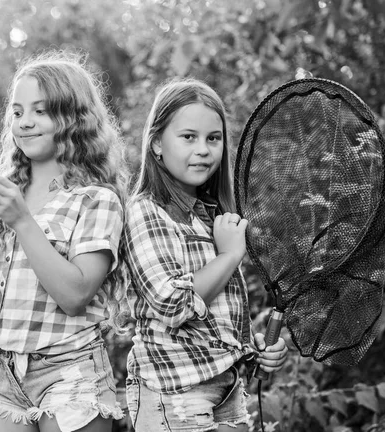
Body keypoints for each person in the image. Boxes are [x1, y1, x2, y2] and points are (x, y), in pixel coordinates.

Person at [0, 51, 127, 432]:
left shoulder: (95, 200)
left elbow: (75, 296)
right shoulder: (3, 202)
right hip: (5, 378)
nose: (25, 123)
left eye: (41, 111)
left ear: (75, 118)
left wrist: (22, 221)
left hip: (72, 372)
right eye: (17, 112)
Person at [123, 78, 289, 432]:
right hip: (173, 390)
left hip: (226, 386)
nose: (203, 149)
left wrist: (254, 346)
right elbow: (173, 304)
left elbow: (214, 317)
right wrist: (229, 257)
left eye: (213, 138)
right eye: (188, 137)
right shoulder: (146, 212)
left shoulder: (211, 217)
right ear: (155, 144)